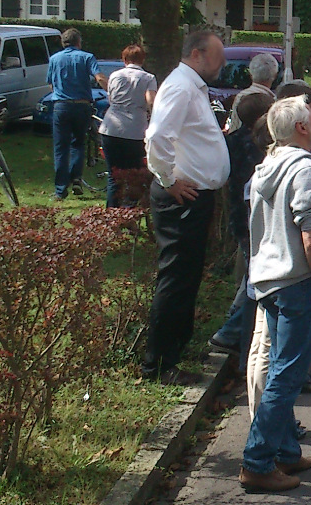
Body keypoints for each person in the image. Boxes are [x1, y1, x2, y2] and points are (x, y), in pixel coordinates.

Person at [239, 97, 311, 493]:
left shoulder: (269, 165)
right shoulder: (306, 170)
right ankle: (257, 463)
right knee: (287, 376)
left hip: (269, 278)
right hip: (298, 282)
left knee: (283, 371)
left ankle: (285, 451)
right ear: (303, 127)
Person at [141, 31, 230, 385]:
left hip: (193, 196)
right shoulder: (180, 87)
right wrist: (168, 181)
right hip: (181, 198)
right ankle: (159, 365)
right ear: (197, 54)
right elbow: (158, 136)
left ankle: (173, 352)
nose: (222, 64)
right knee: (177, 278)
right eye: (218, 57)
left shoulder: (191, 87)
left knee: (187, 276)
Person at [208, 92, 275, 359]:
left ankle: (231, 330)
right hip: (252, 220)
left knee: (251, 275)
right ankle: (231, 332)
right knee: (254, 280)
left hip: (238, 215)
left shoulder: (232, 140)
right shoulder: (257, 147)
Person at [47, 28, 108, 200]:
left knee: (61, 148)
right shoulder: (87, 57)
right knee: (78, 144)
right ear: (78, 42)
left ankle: (60, 190)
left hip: (61, 106)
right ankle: (76, 179)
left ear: (63, 42)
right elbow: (99, 78)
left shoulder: (54, 59)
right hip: (82, 105)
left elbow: (50, 84)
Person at [98, 44, 157, 207]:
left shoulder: (115, 76)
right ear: (142, 59)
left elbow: (111, 99)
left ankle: (111, 214)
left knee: (113, 175)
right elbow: (151, 101)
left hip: (111, 127)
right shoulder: (148, 78)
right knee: (134, 174)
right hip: (135, 129)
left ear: (124, 59)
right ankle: (130, 211)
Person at [224, 53, 279, 132]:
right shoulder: (274, 102)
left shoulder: (241, 97)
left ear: (251, 74)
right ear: (275, 76)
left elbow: (234, 127)